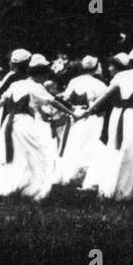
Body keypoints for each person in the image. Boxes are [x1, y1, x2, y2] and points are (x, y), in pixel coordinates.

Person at [0, 54, 76, 200]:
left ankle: (4, 185)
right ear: (41, 73)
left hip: (9, 123)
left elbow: (2, 101)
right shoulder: (37, 87)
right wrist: (72, 113)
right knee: (36, 155)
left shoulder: (16, 84)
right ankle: (30, 188)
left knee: (8, 154)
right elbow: (54, 102)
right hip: (25, 124)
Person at [82, 46, 133, 199]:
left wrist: (90, 110)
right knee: (129, 150)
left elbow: (105, 95)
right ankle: (122, 189)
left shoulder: (121, 77)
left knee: (116, 148)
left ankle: (112, 188)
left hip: (118, 114)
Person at [57, 56, 110, 185]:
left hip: (75, 116)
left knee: (74, 144)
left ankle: (72, 174)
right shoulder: (99, 84)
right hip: (91, 118)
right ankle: (84, 175)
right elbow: (104, 103)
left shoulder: (74, 81)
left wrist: (72, 111)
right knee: (89, 145)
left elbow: (67, 98)